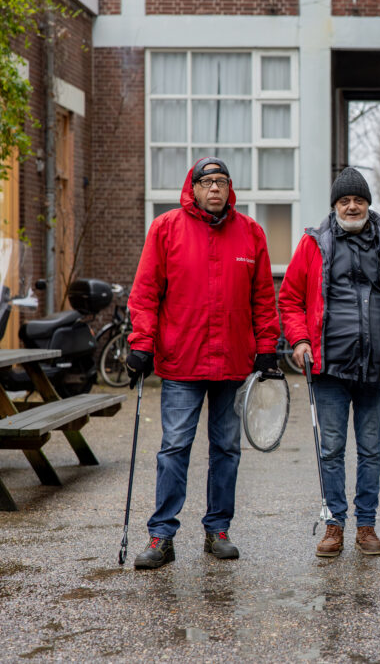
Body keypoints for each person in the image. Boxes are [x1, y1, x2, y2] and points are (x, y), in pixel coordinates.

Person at [127, 157, 281, 570]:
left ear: (230, 189)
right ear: (192, 188)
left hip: (233, 362)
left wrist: (267, 347)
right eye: (207, 181)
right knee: (174, 447)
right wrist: (141, 343)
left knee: (226, 448)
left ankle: (218, 530)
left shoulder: (251, 232)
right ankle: (162, 535)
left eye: (222, 182)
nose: (215, 188)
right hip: (182, 360)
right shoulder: (166, 228)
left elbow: (263, 298)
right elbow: (146, 292)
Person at [278, 167, 380, 558]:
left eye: (358, 200)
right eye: (344, 201)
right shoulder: (314, 244)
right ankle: (334, 525)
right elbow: (289, 299)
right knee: (331, 450)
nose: (352, 206)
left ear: (368, 204)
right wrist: (300, 340)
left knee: (370, 450)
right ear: (335, 206)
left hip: (375, 368)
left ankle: (367, 526)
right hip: (328, 369)